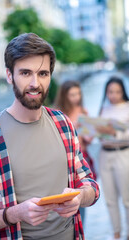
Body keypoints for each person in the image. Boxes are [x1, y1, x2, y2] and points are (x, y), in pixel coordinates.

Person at [0, 33, 99, 240]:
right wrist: (14, 214)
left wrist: (80, 197)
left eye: (43, 73)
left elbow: (89, 182)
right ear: (10, 75)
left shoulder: (63, 123)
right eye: (25, 73)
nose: (35, 83)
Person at [55, 80, 97, 223]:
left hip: (82, 158)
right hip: (64, 162)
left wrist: (87, 131)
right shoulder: (58, 114)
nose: (76, 97)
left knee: (81, 198)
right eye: (72, 94)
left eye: (78, 93)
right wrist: (73, 127)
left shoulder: (84, 112)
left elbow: (89, 139)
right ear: (64, 96)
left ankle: (81, 230)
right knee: (63, 200)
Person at [97, 76, 129, 240]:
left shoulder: (127, 108)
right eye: (110, 92)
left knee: (127, 199)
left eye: (117, 91)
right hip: (104, 154)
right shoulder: (104, 108)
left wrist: (114, 132)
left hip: (123, 154)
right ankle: (116, 234)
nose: (114, 95)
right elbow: (99, 134)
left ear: (123, 91)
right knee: (109, 199)